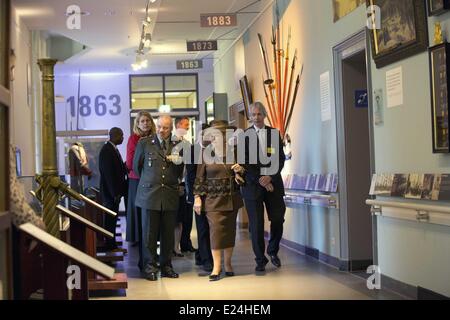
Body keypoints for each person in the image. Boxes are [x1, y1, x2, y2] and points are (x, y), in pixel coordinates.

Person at [133, 115, 184, 281]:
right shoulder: (144, 143)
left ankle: (166, 266)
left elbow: (179, 169)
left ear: (171, 129)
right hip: (149, 195)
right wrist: (151, 181)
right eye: (160, 127)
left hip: (169, 194)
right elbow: (137, 167)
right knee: (149, 235)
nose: (162, 130)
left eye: (166, 128)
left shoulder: (178, 146)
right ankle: (150, 268)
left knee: (168, 234)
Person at [193, 120, 244, 281]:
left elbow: (243, 175)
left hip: (231, 197)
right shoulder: (205, 153)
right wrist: (197, 198)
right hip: (212, 200)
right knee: (215, 232)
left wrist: (239, 171)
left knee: (229, 232)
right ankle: (217, 266)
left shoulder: (234, 152)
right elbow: (199, 178)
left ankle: (228, 264)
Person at [239, 102, 286, 273]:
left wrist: (270, 177)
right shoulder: (244, 136)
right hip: (253, 187)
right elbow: (244, 163)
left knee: (278, 219)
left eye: (259, 114)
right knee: (257, 225)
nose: (256, 117)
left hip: (274, 185)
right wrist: (261, 179)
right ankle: (260, 259)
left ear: (264, 115)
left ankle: (272, 251)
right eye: (253, 114)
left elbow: (280, 159)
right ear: (249, 117)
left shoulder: (274, 133)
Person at [126, 111, 155, 270]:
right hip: (137, 182)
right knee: (139, 219)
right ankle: (142, 256)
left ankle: (151, 254)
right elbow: (130, 163)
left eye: (147, 120)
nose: (145, 123)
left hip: (153, 182)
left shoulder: (155, 138)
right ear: (137, 124)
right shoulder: (133, 139)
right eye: (142, 121)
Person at [99, 127, 128, 251]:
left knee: (113, 219)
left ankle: (113, 245)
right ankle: (110, 246)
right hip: (110, 194)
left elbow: (117, 169)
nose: (122, 138)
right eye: (121, 136)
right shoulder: (107, 150)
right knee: (110, 221)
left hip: (114, 192)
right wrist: (115, 193)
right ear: (115, 135)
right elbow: (109, 174)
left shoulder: (112, 149)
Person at [190, 123, 213, 272]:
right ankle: (207, 260)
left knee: (212, 228)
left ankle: (201, 254)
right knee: (202, 227)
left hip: (214, 194)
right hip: (199, 194)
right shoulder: (192, 151)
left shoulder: (215, 150)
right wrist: (195, 195)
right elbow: (191, 175)